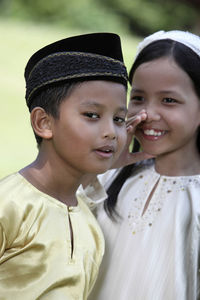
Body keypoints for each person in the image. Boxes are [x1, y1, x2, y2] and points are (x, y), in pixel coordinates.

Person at [0, 32, 130, 299]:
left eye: (119, 119)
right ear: (44, 123)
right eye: (92, 115)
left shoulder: (91, 228)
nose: (111, 132)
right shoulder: (9, 206)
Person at [83, 30, 200, 300]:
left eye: (169, 100)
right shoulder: (109, 179)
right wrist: (104, 165)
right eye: (138, 98)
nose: (147, 114)